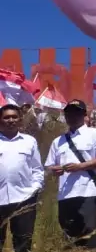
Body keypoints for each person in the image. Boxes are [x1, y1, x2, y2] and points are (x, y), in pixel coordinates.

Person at [44, 99, 96, 248]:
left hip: (87, 191)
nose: (72, 116)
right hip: (65, 194)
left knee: (90, 232)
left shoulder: (95, 134)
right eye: (69, 113)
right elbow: (49, 167)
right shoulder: (57, 141)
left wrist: (80, 166)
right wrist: (57, 169)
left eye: (76, 113)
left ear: (84, 114)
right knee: (70, 234)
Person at [0, 104, 44, 252]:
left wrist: (34, 189)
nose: (10, 120)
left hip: (24, 198)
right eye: (6, 117)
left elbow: (37, 169)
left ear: (20, 120)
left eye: (14, 117)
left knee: (23, 243)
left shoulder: (29, 141)